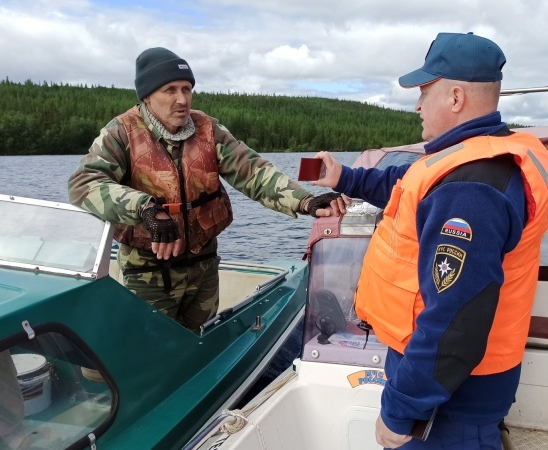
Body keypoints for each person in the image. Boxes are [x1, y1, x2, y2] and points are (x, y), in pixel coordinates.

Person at [313, 32, 548, 449]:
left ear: (456, 97)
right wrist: (346, 179)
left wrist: (401, 410)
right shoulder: (484, 153)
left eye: (425, 91)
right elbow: (408, 183)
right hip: (460, 382)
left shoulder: (470, 192)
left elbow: (453, 322)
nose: (418, 104)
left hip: (450, 396)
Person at [68, 47, 346, 331]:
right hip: (148, 271)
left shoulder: (207, 129)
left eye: (187, 89)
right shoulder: (121, 132)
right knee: (153, 345)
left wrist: (306, 201)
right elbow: (84, 184)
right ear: (147, 96)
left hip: (204, 266)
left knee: (200, 341)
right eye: (170, 90)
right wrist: (145, 208)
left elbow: (253, 172)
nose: (182, 100)